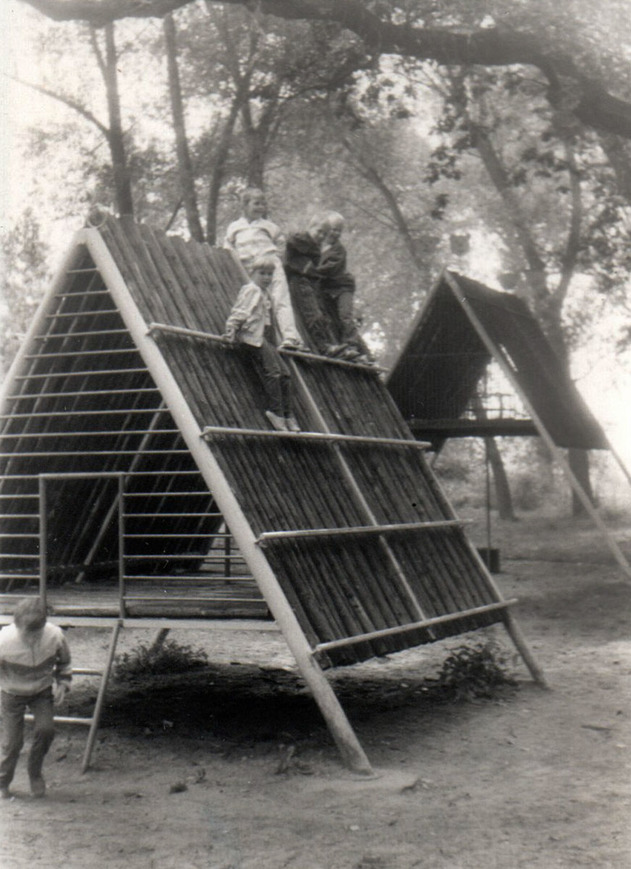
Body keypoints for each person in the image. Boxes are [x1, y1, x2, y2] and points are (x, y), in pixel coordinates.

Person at [0, 598, 72, 799]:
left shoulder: (55, 635)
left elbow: (64, 662)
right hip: (12, 693)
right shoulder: (3, 640)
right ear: (16, 626)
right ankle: (3, 780)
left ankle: (35, 772)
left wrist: (63, 684)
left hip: (41, 691)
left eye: (36, 634)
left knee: (46, 730)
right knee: (12, 742)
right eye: (26, 634)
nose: (32, 639)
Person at [222, 255, 301, 433]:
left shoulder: (265, 293)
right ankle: (276, 412)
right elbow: (241, 311)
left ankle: (288, 415)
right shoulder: (252, 290)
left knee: (285, 374)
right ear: (253, 273)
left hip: (263, 337)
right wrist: (231, 330)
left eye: (270, 274)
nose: (266, 277)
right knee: (273, 372)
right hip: (251, 337)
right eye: (262, 273)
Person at [223, 188, 303, 350]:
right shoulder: (235, 227)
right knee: (256, 299)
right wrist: (236, 259)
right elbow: (228, 246)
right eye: (256, 203)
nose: (260, 207)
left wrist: (275, 259)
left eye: (263, 204)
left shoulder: (269, 226)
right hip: (249, 267)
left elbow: (280, 243)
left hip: (270, 265)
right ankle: (254, 335)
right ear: (245, 205)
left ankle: (290, 337)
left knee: (280, 298)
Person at [284, 214, 345, 358]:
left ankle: (329, 344)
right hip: (298, 280)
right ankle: (323, 346)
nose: (321, 236)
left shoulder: (315, 248)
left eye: (324, 234)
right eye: (319, 231)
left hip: (308, 282)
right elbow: (289, 243)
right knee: (312, 313)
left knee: (320, 312)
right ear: (310, 227)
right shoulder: (302, 239)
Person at [317, 211, 373, 363]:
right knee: (323, 314)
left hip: (342, 286)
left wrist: (311, 270)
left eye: (338, 230)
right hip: (327, 287)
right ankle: (329, 341)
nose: (334, 233)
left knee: (345, 315)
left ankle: (351, 345)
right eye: (333, 229)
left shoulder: (339, 250)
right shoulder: (319, 244)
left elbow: (330, 268)